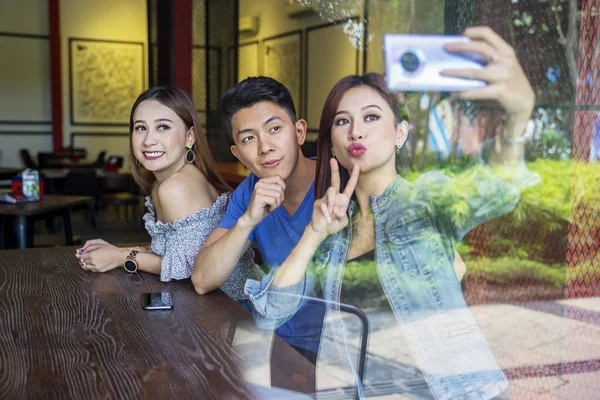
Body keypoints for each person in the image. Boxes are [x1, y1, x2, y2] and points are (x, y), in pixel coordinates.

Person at [244, 27, 540, 399]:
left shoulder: (425, 200)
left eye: (371, 117)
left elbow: (495, 188)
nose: (356, 132)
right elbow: (270, 311)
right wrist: (314, 233)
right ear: (332, 145)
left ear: (400, 132)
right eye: (342, 121)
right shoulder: (333, 232)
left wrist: (517, 118)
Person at [75, 87, 262, 303]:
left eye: (162, 127)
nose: (148, 140)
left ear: (189, 136)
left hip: (235, 309)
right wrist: (117, 250)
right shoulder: (165, 182)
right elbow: (174, 253)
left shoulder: (175, 187)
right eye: (140, 128)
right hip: (212, 306)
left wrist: (119, 257)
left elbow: (189, 270)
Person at [191, 77, 326, 368]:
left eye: (275, 129)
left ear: (299, 132)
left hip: (335, 349)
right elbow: (203, 279)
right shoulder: (250, 190)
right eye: (249, 138)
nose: (265, 147)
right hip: (275, 341)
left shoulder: (335, 182)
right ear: (238, 153)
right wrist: (247, 221)